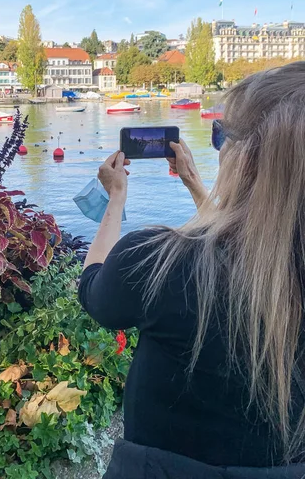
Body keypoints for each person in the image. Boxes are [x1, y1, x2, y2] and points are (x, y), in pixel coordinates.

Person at [78, 62, 305, 479]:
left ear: (243, 156)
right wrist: (196, 186)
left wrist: (116, 200)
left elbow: (95, 290)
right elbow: (252, 246)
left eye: (221, 135)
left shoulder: (160, 261)